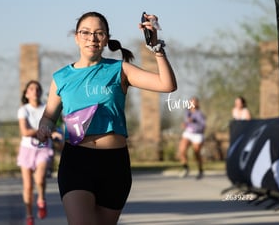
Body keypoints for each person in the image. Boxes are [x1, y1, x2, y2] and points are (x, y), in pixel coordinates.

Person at [37, 11, 177, 225]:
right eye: (85, 33)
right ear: (76, 37)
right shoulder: (61, 78)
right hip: (76, 162)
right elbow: (48, 116)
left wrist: (156, 47)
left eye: (98, 33)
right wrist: (44, 128)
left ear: (106, 39)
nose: (92, 38)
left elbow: (167, 85)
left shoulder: (119, 69)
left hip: (114, 165)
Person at [17, 80, 62, 225]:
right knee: (28, 186)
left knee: (40, 179)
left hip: (43, 147)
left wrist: (55, 134)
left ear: (41, 92)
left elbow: (54, 127)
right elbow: (25, 131)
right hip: (27, 149)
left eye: (37, 88)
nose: (35, 91)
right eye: (31, 88)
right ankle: (29, 215)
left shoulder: (46, 108)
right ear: (26, 93)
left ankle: (41, 199)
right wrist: (44, 131)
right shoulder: (24, 110)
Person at [178, 96, 206, 180]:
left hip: (197, 134)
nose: (192, 104)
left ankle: (200, 171)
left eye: (193, 102)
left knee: (196, 153)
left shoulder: (200, 114)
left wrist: (194, 122)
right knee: (182, 150)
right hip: (188, 133)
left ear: (197, 104)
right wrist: (185, 124)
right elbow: (186, 121)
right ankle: (186, 168)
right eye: (191, 102)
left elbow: (203, 126)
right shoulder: (187, 112)